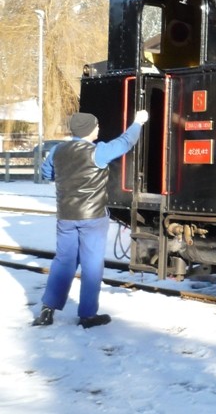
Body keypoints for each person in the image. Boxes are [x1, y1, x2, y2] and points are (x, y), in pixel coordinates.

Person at [32, 109, 149, 328]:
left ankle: (47, 310)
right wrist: (138, 123)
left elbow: (47, 173)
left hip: (66, 216)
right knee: (92, 265)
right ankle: (87, 315)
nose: (98, 129)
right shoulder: (98, 152)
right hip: (93, 217)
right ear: (88, 129)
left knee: (63, 261)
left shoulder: (58, 150)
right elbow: (125, 142)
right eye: (96, 126)